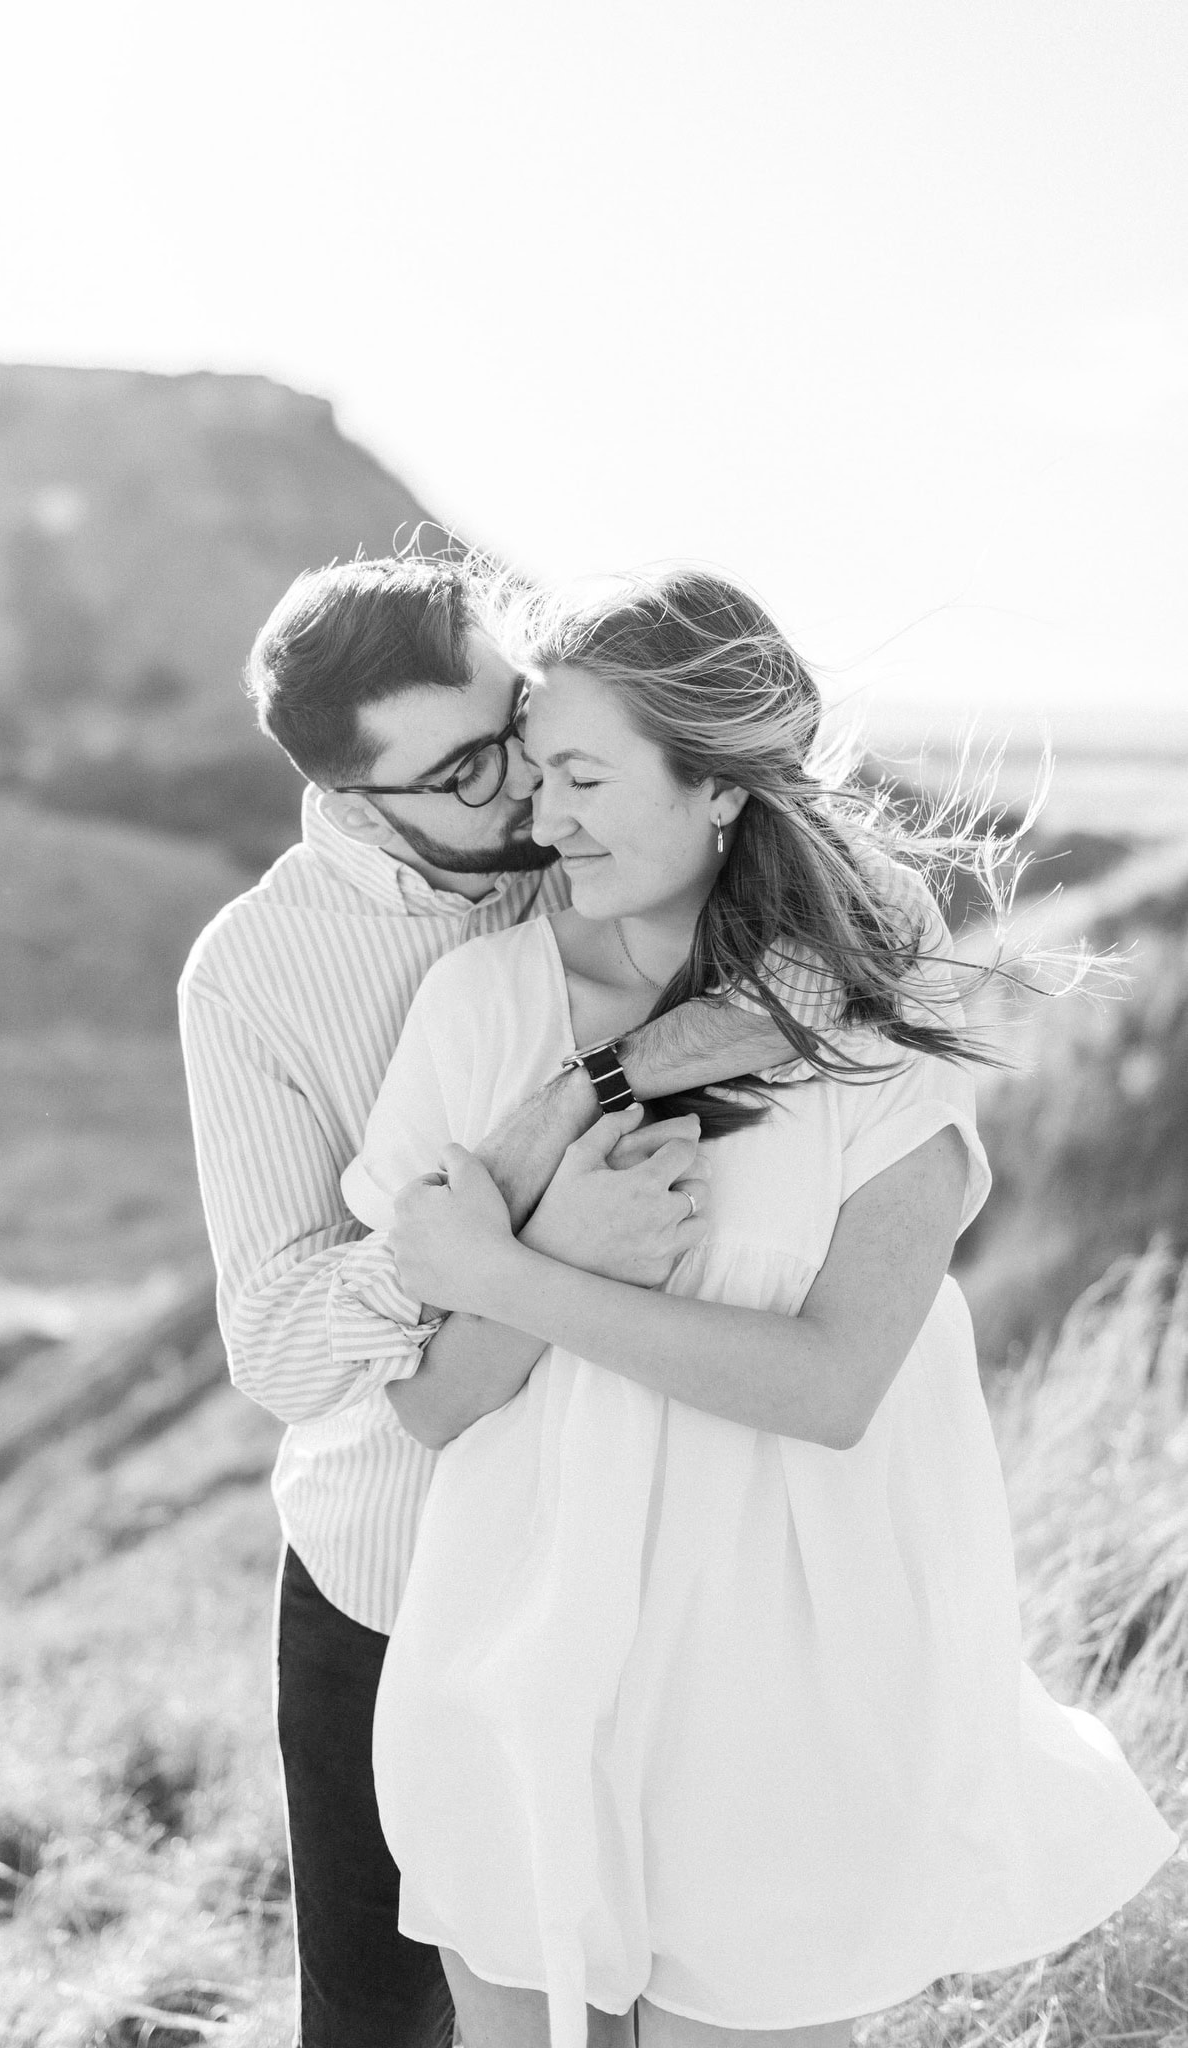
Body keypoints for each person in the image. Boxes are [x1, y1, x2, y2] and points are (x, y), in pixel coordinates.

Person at [339, 567, 1179, 2048]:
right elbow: (428, 1400)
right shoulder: (477, 1011)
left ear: (720, 787)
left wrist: (523, 1271)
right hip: (516, 1674)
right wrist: (554, 1162)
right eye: (537, 779)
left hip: (781, 1713)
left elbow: (831, 1384)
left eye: (587, 777)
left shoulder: (873, 1032)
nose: (546, 820)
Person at [180, 556, 887, 2048]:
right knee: (391, 2026)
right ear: (360, 801)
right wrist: (509, 1215)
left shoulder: (609, 830)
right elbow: (279, 1343)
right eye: (465, 772)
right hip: (393, 1566)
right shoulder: (256, 972)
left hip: (655, 1559)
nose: (526, 796)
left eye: (525, 729)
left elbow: (838, 951)